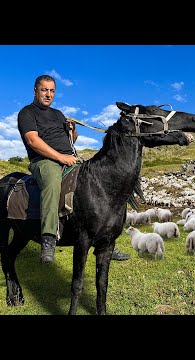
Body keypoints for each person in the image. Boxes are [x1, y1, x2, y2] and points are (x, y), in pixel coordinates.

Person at [18, 74, 130, 263]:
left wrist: (73, 130)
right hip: (44, 161)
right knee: (52, 183)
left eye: (52, 91)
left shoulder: (58, 114)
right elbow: (32, 140)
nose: (48, 94)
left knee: (95, 186)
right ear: (35, 91)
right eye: (44, 90)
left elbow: (71, 140)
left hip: (69, 157)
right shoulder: (27, 113)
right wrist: (61, 157)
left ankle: (105, 240)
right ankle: (48, 238)